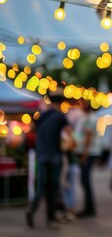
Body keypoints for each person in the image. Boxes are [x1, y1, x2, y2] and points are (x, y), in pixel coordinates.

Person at [25, 93, 74, 229]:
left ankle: (31, 209)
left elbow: (31, 131)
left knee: (41, 187)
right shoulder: (60, 116)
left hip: (41, 154)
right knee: (52, 187)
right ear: (60, 103)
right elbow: (69, 133)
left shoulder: (40, 115)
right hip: (55, 155)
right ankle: (50, 219)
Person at [75, 100, 101, 217]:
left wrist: (84, 154)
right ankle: (89, 207)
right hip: (89, 152)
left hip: (88, 153)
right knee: (85, 180)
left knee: (85, 180)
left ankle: (89, 208)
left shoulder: (89, 119)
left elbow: (88, 137)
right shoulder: (89, 118)